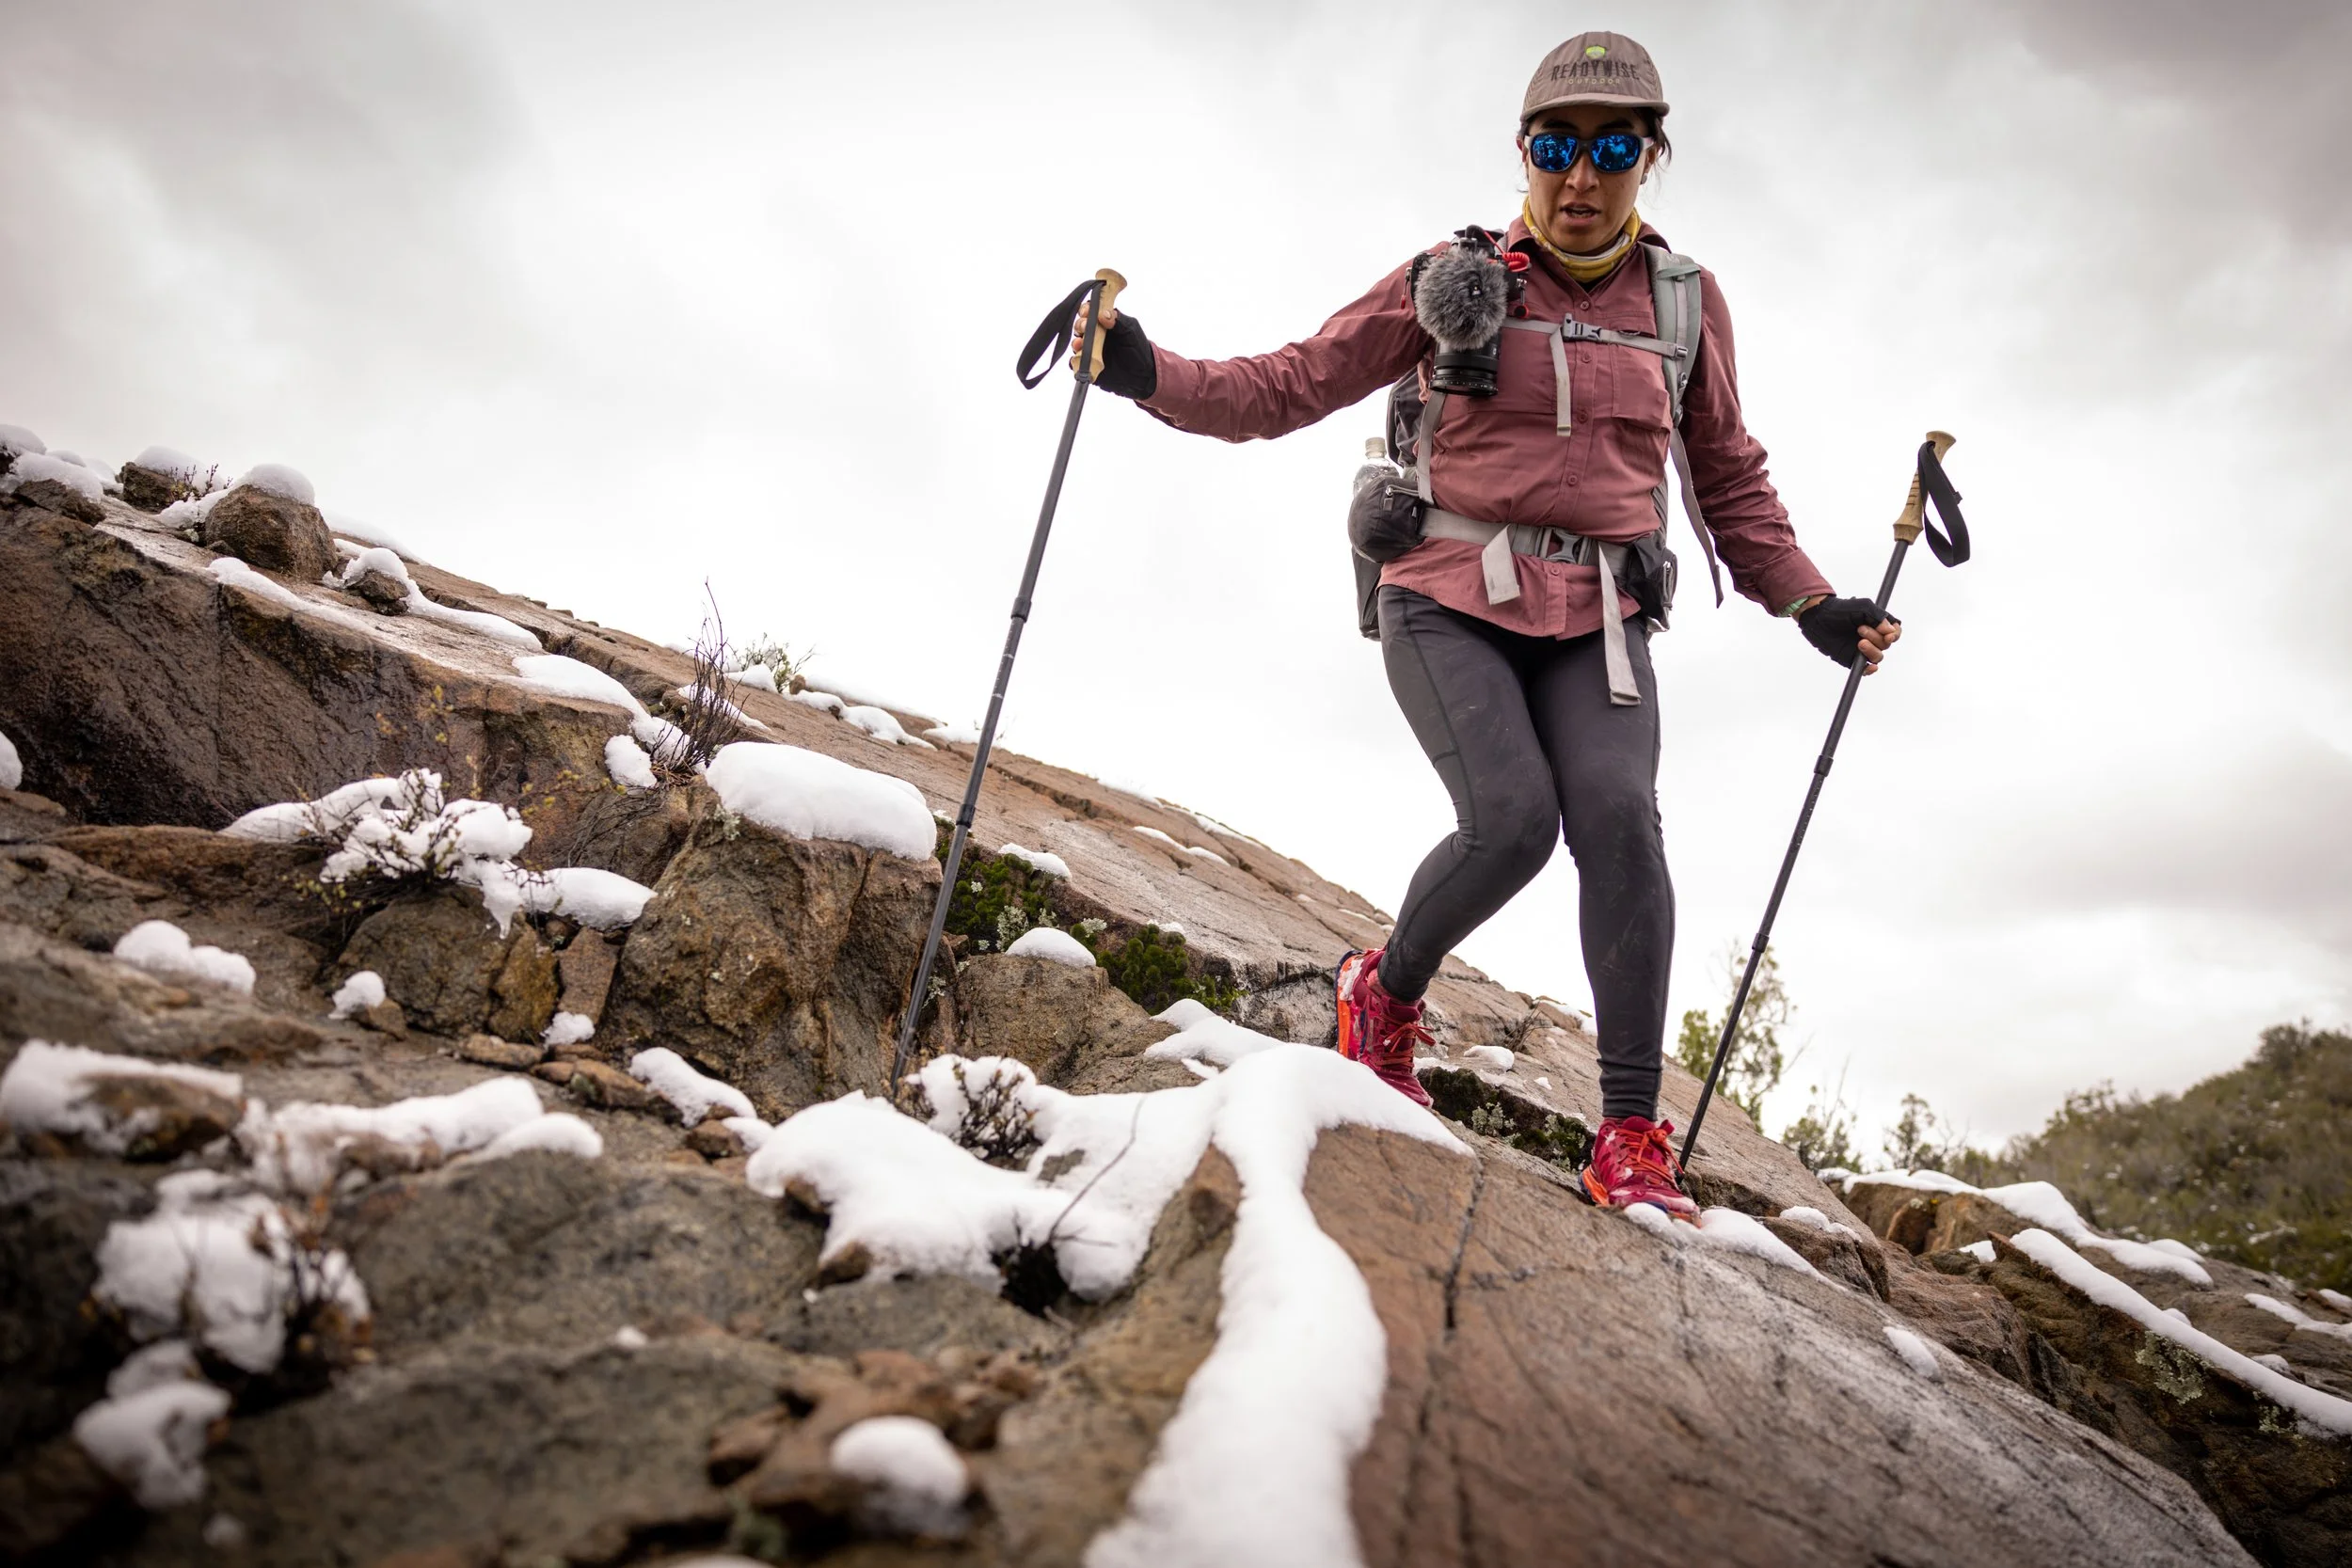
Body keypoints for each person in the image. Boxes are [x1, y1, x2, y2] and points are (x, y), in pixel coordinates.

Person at [1075, 32, 1899, 1216]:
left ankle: (1628, 1135)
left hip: (1598, 617)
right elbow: (1293, 382)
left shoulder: (1683, 303)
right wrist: (1145, 370)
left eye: (1612, 150)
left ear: (1650, 158)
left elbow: (1728, 475)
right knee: (1511, 820)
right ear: (1523, 151)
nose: (1581, 177)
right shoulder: (1448, 276)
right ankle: (1383, 993)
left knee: (1620, 819)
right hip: (1444, 591)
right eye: (1555, 148)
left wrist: (1810, 600)